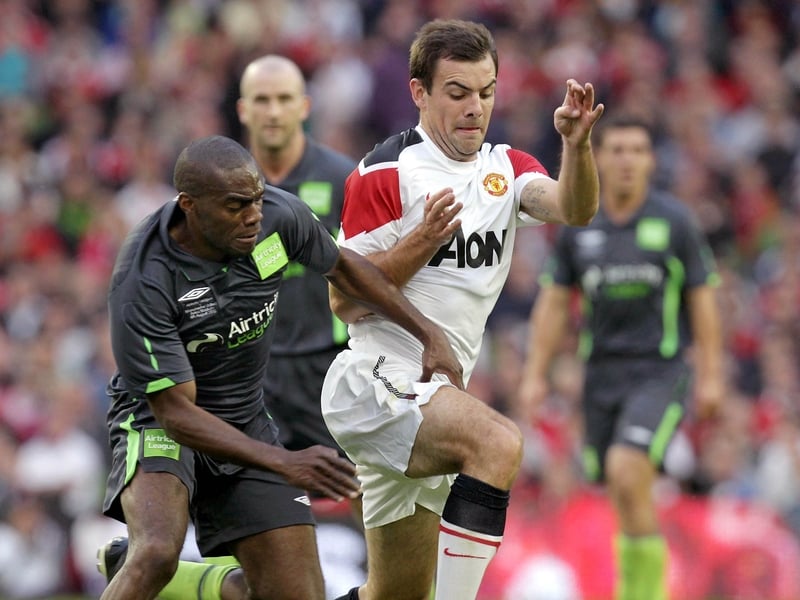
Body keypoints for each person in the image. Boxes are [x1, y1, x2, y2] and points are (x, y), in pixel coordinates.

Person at [96, 134, 462, 600]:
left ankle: (211, 585)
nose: (252, 215)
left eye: (256, 199)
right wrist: (284, 461)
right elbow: (176, 413)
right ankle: (158, 569)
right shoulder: (144, 281)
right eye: (235, 206)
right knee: (156, 553)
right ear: (190, 204)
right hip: (160, 425)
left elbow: (345, 269)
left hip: (245, 419)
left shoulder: (277, 219)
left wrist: (427, 331)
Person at [321, 19, 604, 600]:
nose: (476, 107)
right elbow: (343, 301)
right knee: (498, 443)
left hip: (432, 399)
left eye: (486, 91)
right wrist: (418, 243)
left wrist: (577, 147)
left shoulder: (506, 167)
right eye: (458, 92)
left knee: (395, 593)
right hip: (375, 380)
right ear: (419, 92)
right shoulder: (386, 171)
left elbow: (574, 209)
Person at [517, 114, 725, 600]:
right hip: (600, 376)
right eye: (617, 150)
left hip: (660, 371)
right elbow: (553, 302)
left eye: (638, 150)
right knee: (618, 490)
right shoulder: (578, 225)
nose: (627, 160)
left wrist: (712, 375)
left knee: (627, 469)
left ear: (652, 160)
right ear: (599, 158)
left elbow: (703, 298)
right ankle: (637, 585)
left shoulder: (674, 222)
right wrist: (534, 374)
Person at [236, 54, 356, 461]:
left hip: (331, 367)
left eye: (284, 99)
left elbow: (368, 272)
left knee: (355, 490)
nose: (273, 111)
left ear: (304, 107)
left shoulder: (343, 179)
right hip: (251, 371)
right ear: (243, 109)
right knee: (259, 500)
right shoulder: (223, 186)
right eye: (262, 99)